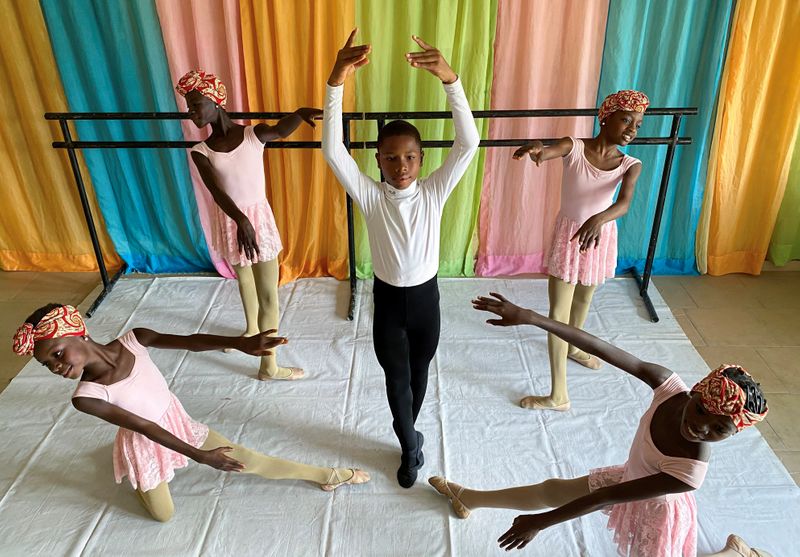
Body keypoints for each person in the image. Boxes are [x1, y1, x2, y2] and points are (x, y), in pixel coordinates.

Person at [429, 292, 768, 556]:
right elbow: (602, 348)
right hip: (630, 476)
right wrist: (532, 318)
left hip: (657, 511)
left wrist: (540, 522)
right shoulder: (669, 387)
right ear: (694, 392)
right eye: (701, 410)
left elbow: (607, 497)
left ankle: (736, 553)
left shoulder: (689, 472)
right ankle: (469, 497)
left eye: (719, 429)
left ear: (735, 432)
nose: (701, 427)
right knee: (552, 489)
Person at [12, 304, 369, 522]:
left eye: (57, 354)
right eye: (47, 365)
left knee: (247, 459)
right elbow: (142, 425)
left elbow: (190, 341)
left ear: (79, 334)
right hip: (145, 440)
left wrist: (239, 343)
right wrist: (199, 456)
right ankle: (132, 472)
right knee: (163, 516)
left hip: (175, 423)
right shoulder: (86, 396)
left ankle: (327, 473)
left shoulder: (134, 339)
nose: (56, 367)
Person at [322, 29, 480, 487]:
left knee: (419, 372)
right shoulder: (370, 198)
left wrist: (451, 80)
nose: (401, 166)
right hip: (389, 302)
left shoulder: (434, 192)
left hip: (427, 300)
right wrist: (336, 81)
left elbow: (468, 143)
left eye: (410, 157)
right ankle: (410, 448)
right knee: (396, 381)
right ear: (378, 162)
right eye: (391, 159)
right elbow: (333, 150)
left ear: (422, 158)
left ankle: (409, 434)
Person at [176, 69, 321, 380]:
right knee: (245, 283)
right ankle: (252, 333)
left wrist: (298, 114)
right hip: (232, 222)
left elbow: (281, 130)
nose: (191, 112)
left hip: (258, 222)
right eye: (189, 106)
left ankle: (268, 364)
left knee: (269, 292)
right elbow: (216, 192)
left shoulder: (252, 136)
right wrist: (240, 220)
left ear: (216, 101)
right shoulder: (200, 152)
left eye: (196, 104)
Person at [511, 90, 648, 411]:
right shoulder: (575, 146)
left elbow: (624, 203)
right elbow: (550, 151)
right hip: (570, 236)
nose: (631, 129)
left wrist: (600, 219)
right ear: (606, 118)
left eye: (638, 125)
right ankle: (558, 394)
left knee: (585, 299)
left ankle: (574, 346)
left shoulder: (631, 164)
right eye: (626, 120)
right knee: (558, 314)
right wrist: (538, 151)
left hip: (600, 237)